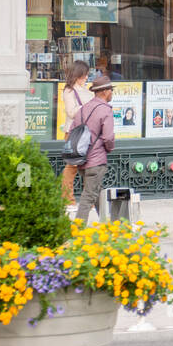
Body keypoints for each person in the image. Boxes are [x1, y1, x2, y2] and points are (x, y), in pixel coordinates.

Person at [73, 73, 116, 224]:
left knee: (96, 193)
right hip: (96, 161)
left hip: (82, 159)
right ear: (104, 91)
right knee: (88, 196)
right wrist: (109, 149)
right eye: (111, 90)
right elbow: (108, 138)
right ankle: (77, 231)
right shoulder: (105, 110)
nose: (112, 93)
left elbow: (73, 131)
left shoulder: (83, 109)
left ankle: (108, 224)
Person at [59, 61, 93, 205]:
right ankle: (67, 199)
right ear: (78, 74)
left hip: (88, 131)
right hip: (74, 132)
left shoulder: (87, 90)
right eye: (84, 74)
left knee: (90, 166)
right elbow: (71, 112)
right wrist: (87, 107)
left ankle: (89, 201)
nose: (86, 77)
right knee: (72, 166)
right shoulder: (69, 90)